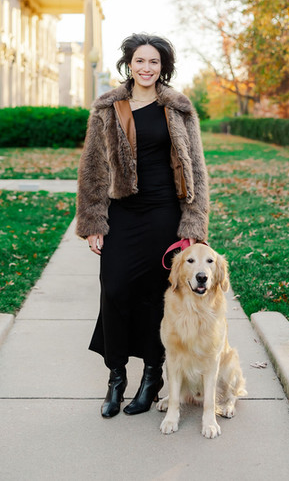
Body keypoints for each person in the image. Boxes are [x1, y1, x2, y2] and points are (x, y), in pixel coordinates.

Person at [76, 33, 209, 418]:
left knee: (156, 297)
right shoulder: (108, 108)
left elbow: (196, 168)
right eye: (140, 61)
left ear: (163, 67)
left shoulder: (179, 109)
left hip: (165, 213)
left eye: (154, 62)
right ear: (129, 65)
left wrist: (193, 222)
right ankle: (116, 377)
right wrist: (94, 221)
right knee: (115, 290)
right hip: (122, 212)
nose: (146, 68)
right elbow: (92, 168)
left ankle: (152, 378)